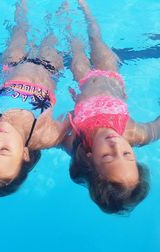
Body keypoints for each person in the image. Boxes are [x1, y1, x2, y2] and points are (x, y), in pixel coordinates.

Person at [0, 0, 69, 197]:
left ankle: (22, 3)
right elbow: (78, 120)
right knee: (54, 32)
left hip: (13, 63)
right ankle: (65, 5)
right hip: (50, 69)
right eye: (4, 150)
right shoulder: (46, 136)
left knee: (20, 28)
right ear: (25, 154)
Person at [63, 0, 160, 214]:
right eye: (127, 154)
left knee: (76, 47)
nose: (117, 145)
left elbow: (47, 137)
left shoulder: (74, 142)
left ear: (90, 159)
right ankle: (86, 11)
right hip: (111, 75)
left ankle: (67, 14)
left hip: (83, 79)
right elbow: (157, 128)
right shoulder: (133, 134)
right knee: (96, 39)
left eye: (108, 156)